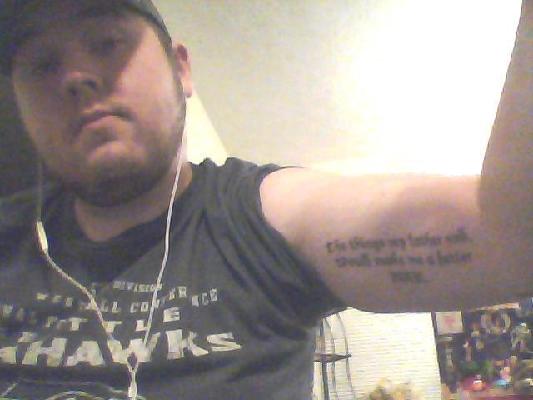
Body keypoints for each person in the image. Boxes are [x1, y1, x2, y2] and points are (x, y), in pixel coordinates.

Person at [0, 0, 530, 399]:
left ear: (181, 69)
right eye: (43, 64)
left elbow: (508, 241)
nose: (75, 78)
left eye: (106, 43)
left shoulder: (257, 216)